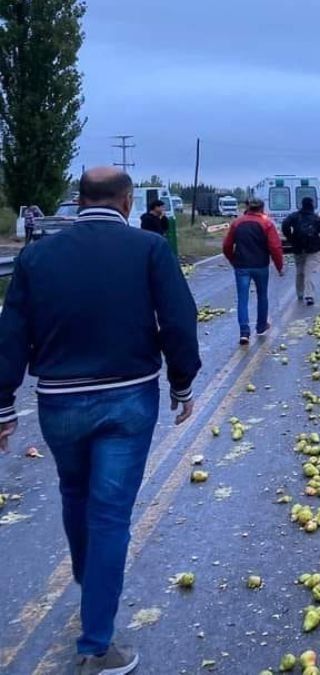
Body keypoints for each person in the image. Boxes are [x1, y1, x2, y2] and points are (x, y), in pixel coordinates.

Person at [0, 167, 200, 675]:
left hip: (59, 402)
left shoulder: (37, 256)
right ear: (127, 202)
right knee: (110, 515)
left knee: (74, 492)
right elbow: (179, 319)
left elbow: (11, 330)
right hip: (127, 398)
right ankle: (96, 646)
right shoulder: (149, 249)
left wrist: (3, 406)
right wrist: (181, 383)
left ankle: (91, 582)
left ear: (80, 200)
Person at [223, 197, 284, 345]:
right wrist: (279, 266)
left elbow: (226, 245)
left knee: (242, 299)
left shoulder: (237, 223)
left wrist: (233, 260)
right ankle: (261, 326)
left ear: (248, 207)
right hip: (261, 266)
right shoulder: (267, 223)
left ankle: (244, 332)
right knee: (262, 296)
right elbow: (275, 247)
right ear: (262, 208)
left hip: (242, 266)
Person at [281, 196, 320, 306]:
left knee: (300, 271)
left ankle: (300, 293)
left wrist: (291, 238)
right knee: (309, 272)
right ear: (312, 205)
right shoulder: (316, 218)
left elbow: (285, 225)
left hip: (298, 247)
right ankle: (309, 295)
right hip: (313, 248)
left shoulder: (294, 216)